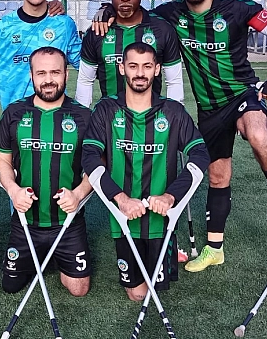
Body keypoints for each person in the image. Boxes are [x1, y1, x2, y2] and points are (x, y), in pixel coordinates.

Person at [93, 0, 267, 272]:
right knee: (217, 175)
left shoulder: (237, 7)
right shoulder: (170, 14)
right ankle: (215, 249)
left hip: (242, 93)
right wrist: (107, 10)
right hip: (209, 109)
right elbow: (134, 13)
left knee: (258, 135)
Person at [81, 42, 209, 301]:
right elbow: (89, 157)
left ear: (157, 69)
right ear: (122, 68)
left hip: (162, 219)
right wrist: (120, 199)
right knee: (137, 294)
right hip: (123, 218)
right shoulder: (106, 109)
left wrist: (171, 196)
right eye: (133, 66)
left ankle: (171, 252)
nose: (140, 73)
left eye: (147, 66)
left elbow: (200, 154)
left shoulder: (173, 111)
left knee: (156, 291)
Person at [0, 46, 93, 297]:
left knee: (79, 289)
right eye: (41, 73)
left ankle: (56, 254)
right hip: (26, 221)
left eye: (55, 72)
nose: (48, 80)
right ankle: (38, 254)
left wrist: (78, 194)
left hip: (67, 222)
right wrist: (13, 190)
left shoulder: (84, 117)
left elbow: (96, 168)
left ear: (66, 75)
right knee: (11, 286)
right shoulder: (14, 113)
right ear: (31, 75)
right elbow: (3, 161)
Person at [76, 0, 184, 107]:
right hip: (109, 116)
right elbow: (85, 81)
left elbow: (174, 81)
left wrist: (176, 114)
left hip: (151, 117)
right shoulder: (97, 31)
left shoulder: (162, 29)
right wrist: (83, 116)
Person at [0, 0, 81, 110]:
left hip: (56, 116)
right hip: (15, 117)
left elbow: (87, 66)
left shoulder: (64, 25)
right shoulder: (3, 28)